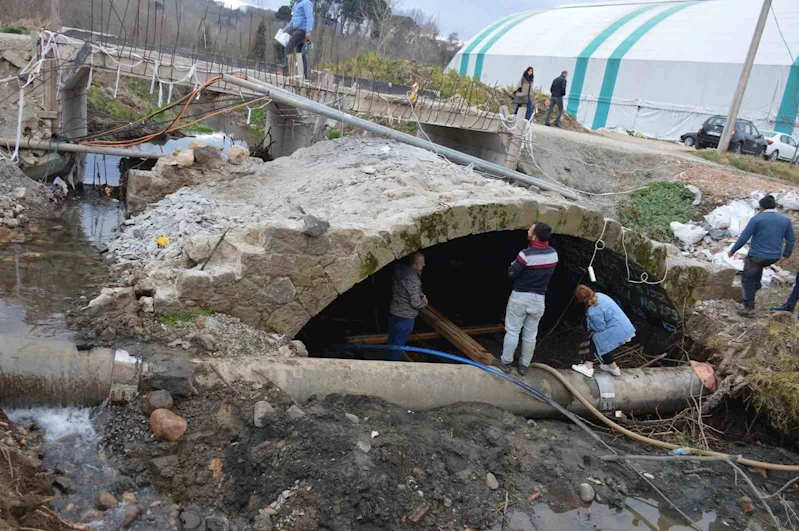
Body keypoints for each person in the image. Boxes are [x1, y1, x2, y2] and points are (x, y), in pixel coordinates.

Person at [500, 222, 558, 376]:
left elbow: (511, 274)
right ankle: (524, 365)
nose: (528, 230)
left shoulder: (525, 255)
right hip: (539, 299)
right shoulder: (553, 254)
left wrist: (514, 264)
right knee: (530, 335)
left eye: (530, 230)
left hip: (520, 297)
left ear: (534, 236)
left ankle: (506, 363)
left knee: (512, 331)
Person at [728, 195, 795, 314]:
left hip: (757, 255)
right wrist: (786, 255)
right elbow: (791, 239)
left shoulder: (757, 219)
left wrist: (733, 250)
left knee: (747, 278)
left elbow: (744, 236)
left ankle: (748, 307)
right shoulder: (785, 220)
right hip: (774, 257)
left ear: (762, 207)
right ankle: (756, 287)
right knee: (756, 270)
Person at [571, 285, 635, 378]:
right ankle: (613, 368)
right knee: (602, 342)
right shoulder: (600, 295)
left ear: (581, 300)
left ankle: (588, 368)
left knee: (592, 339)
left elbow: (600, 328)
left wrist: (590, 327)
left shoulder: (593, 311)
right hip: (624, 326)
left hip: (617, 329)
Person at [386, 252, 428, 361]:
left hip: (394, 312)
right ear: (414, 265)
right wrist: (424, 300)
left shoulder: (399, 270)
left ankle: (386, 361)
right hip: (405, 317)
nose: (424, 265)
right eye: (422, 263)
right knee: (398, 345)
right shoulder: (413, 279)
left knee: (392, 341)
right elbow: (416, 303)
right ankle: (393, 367)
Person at [282, 0, 314, 79]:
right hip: (297, 29)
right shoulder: (296, 4)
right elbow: (293, 20)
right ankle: (305, 75)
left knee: (288, 47)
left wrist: (308, 31)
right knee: (300, 53)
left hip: (301, 30)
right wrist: (285, 29)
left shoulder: (306, 3)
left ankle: (286, 71)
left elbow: (310, 17)